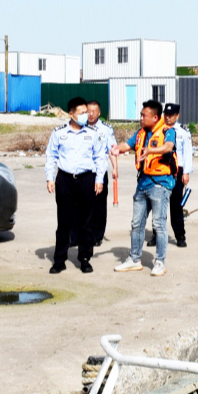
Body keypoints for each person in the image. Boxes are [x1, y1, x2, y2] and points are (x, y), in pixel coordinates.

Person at [110, 99, 176, 277]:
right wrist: (118, 149)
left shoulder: (167, 131)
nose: (140, 118)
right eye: (140, 114)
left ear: (155, 117)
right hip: (143, 183)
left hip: (160, 184)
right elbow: (128, 145)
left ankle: (160, 262)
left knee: (158, 224)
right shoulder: (140, 133)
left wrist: (151, 151)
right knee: (136, 224)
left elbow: (168, 147)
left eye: (143, 115)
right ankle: (134, 259)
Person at [45, 97, 106, 273]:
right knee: (64, 221)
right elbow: (52, 156)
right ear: (71, 114)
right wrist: (50, 178)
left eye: (87, 112)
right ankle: (59, 259)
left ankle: (85, 258)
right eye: (82, 113)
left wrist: (99, 179)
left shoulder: (93, 133)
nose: (86, 115)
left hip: (87, 179)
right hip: (65, 179)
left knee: (86, 221)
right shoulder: (59, 133)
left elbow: (100, 157)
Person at [85, 100, 113, 247]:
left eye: (93, 111)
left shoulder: (106, 129)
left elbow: (112, 150)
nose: (91, 114)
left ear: (99, 113)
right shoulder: (80, 126)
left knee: (99, 205)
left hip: (100, 172)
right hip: (85, 172)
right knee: (82, 205)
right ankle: (78, 235)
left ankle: (97, 235)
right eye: (88, 111)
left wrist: (115, 168)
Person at [163, 102, 191, 248]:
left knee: (176, 204)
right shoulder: (158, 131)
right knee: (159, 204)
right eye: (166, 115)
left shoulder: (182, 132)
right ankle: (157, 235)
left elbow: (187, 154)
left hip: (177, 170)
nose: (168, 118)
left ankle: (180, 235)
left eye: (171, 115)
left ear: (177, 116)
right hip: (161, 169)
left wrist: (186, 172)